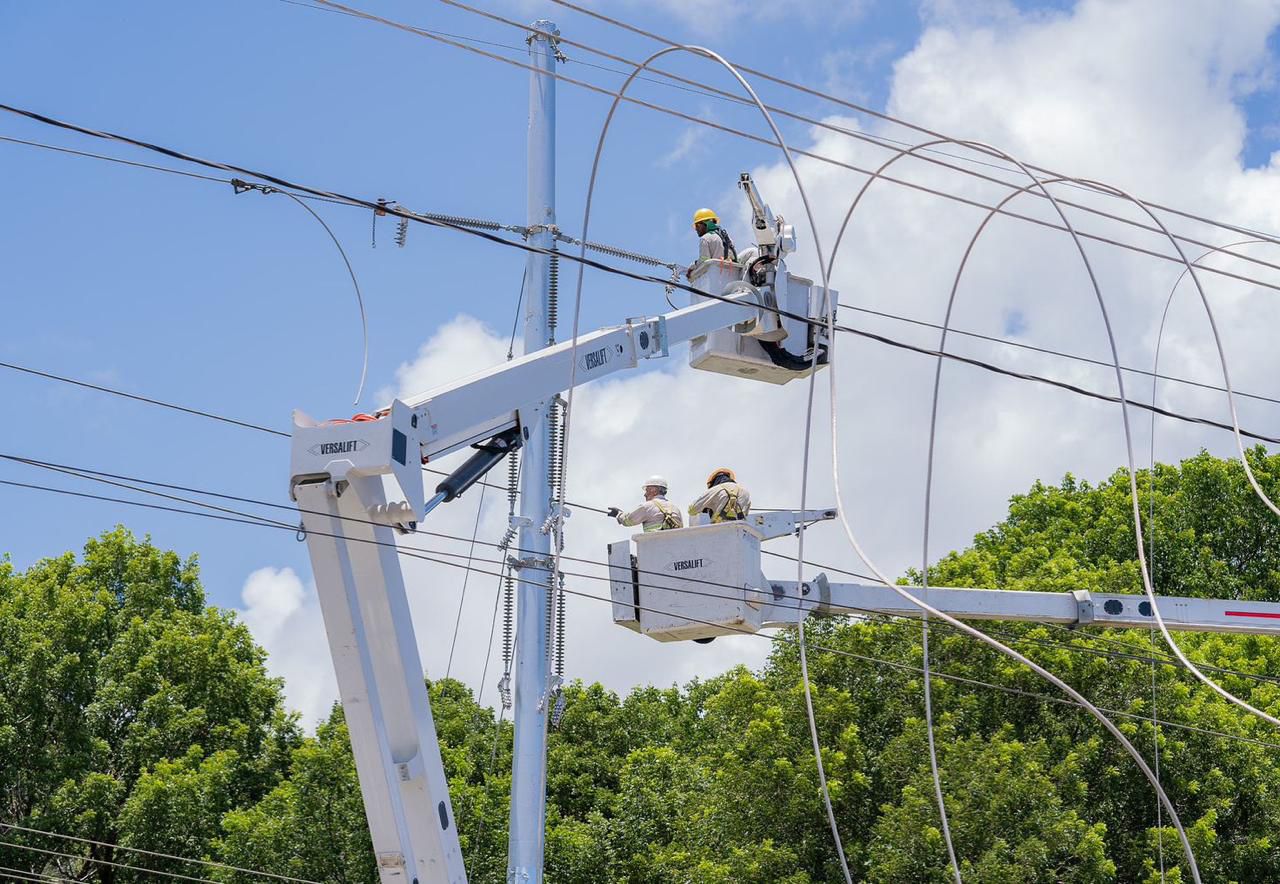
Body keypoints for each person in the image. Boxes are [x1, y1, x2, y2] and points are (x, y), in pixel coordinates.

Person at [609, 475, 683, 532]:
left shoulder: (648, 506)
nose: (645, 495)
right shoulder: (675, 509)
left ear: (654, 490)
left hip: (653, 547)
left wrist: (618, 514)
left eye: (647, 491)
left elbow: (629, 520)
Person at [689, 207, 737, 276]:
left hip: (715, 277)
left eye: (697, 225)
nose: (696, 229)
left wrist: (693, 266)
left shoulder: (705, 239)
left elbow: (704, 261)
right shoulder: (727, 237)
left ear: (705, 224)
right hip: (731, 275)